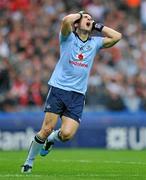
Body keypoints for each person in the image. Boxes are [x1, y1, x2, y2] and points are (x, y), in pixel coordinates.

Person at [21, 11, 122, 173]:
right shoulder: (68, 38)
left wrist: (96, 26)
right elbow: (66, 20)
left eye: (91, 18)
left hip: (77, 94)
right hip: (59, 89)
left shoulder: (95, 43)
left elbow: (117, 36)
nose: (90, 20)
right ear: (77, 23)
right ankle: (28, 163)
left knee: (67, 134)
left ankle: (52, 140)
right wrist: (80, 14)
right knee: (46, 129)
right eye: (86, 19)